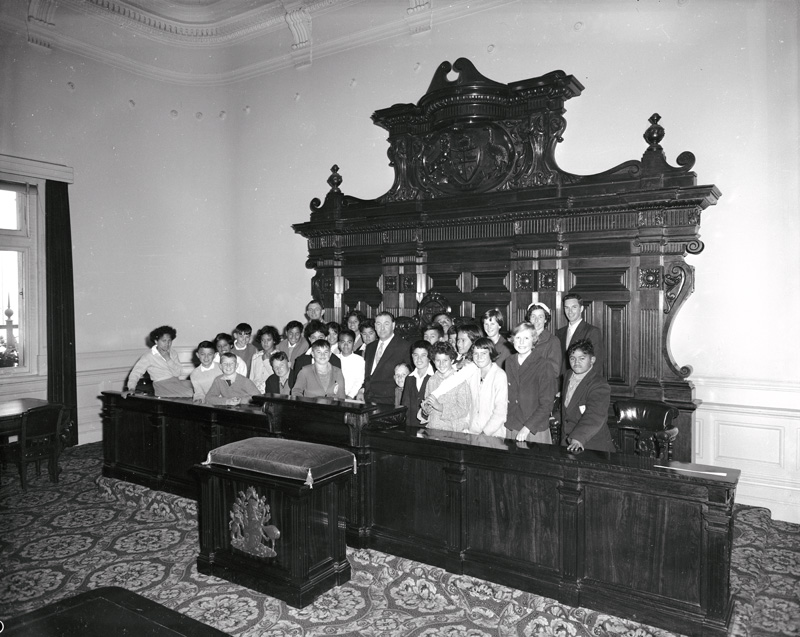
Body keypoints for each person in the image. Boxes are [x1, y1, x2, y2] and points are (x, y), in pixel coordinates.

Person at [505, 322, 557, 443]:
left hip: (534, 429)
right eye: (518, 338)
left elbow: (547, 404)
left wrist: (527, 428)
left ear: (533, 340)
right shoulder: (509, 361)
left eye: (526, 338)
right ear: (512, 340)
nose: (521, 342)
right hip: (512, 425)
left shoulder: (544, 365)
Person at [561, 339, 615, 452]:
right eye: (572, 358)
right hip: (566, 442)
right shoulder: (568, 375)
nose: (576, 362)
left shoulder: (599, 384)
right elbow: (569, 406)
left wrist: (577, 438)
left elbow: (595, 415)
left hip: (591, 445)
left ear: (592, 360)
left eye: (582, 358)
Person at [126, 325, 193, 398]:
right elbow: (136, 372)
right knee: (195, 394)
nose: (167, 344)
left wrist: (168, 359)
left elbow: (178, 373)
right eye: (164, 341)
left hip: (175, 382)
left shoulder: (173, 353)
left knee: (200, 386)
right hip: (162, 386)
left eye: (169, 340)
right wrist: (131, 388)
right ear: (156, 341)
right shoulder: (149, 356)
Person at [363, 312, 410, 405]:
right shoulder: (370, 347)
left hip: (390, 402)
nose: (382, 328)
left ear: (393, 325)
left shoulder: (404, 346)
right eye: (379, 324)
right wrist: (362, 389)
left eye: (386, 324)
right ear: (375, 326)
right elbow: (368, 375)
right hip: (367, 399)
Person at [421, 342, 471, 432]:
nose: (441, 364)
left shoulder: (460, 380)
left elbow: (463, 409)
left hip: (452, 431)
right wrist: (426, 410)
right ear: (433, 361)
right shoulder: (431, 380)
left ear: (452, 361)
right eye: (438, 360)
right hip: (433, 428)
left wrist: (440, 407)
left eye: (445, 360)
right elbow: (427, 403)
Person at [467, 338, 508, 437]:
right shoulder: (472, 374)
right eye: (476, 353)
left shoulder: (499, 375)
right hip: (471, 433)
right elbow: (467, 405)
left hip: (493, 435)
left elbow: (500, 412)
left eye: (483, 353)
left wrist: (484, 434)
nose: (479, 357)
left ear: (490, 353)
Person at [556, 293, 604, 374]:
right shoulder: (560, 332)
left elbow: (597, 363)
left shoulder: (592, 331)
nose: (570, 311)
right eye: (567, 308)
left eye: (574, 307)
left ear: (581, 308)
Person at [290, 320, 341, 386]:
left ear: (325, 338)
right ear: (309, 339)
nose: (317, 340)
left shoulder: (335, 360)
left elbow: (337, 384)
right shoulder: (301, 360)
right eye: (313, 338)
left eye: (320, 337)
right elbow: (297, 385)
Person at [401, 340, 434, 427]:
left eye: (423, 355)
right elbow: (405, 405)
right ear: (412, 356)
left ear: (430, 357)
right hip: (411, 427)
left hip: (430, 427)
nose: (419, 359)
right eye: (416, 355)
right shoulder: (409, 378)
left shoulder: (435, 377)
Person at [525, 303, 562, 378]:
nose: (536, 320)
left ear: (545, 320)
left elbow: (555, 371)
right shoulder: (523, 338)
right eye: (533, 316)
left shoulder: (553, 341)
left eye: (540, 317)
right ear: (529, 319)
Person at [249, 325, 280, 393]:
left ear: (274, 340)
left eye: (268, 340)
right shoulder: (256, 356)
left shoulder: (279, 356)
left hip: (270, 392)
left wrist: (266, 361)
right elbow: (251, 378)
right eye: (263, 340)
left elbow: (278, 377)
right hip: (255, 392)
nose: (265, 343)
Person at [338, 328, 365, 400]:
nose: (346, 345)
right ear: (339, 343)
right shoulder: (334, 359)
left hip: (353, 397)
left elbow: (359, 380)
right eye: (343, 342)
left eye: (349, 342)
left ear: (354, 343)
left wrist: (350, 396)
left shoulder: (359, 360)